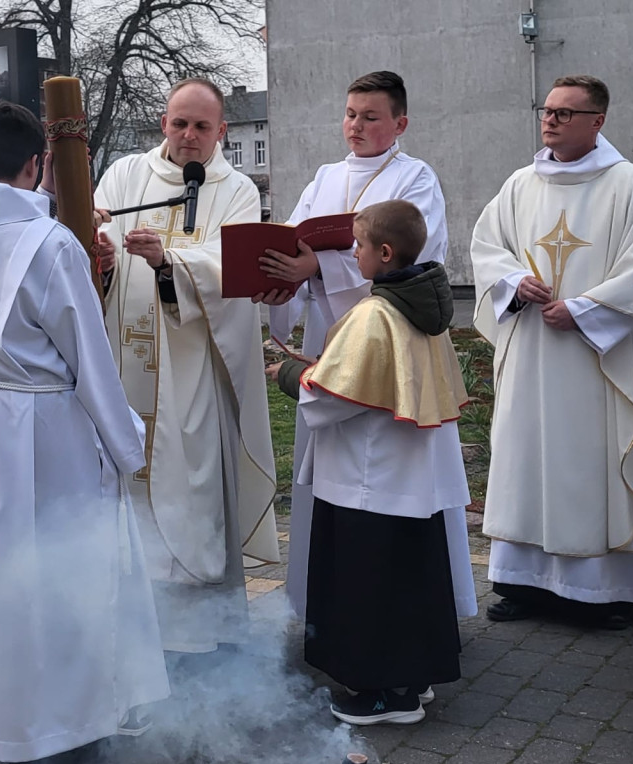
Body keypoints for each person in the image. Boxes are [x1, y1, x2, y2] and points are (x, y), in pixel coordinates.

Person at [0, 101, 169, 764]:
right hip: (41, 431)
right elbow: (90, 360)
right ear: (35, 164)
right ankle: (60, 719)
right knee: (54, 567)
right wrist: (127, 440)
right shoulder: (51, 246)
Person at [257, 71, 474, 624]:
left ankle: (411, 611)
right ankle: (320, 605)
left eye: (370, 116)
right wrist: (287, 274)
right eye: (351, 113)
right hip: (331, 342)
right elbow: (296, 240)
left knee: (396, 483)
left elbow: (417, 257)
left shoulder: (414, 177)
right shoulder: (325, 177)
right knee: (329, 474)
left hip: (393, 340)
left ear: (399, 123)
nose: (356, 125)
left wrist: (318, 267)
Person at [471, 75, 633, 629]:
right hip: (532, 349)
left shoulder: (630, 185)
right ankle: (522, 583)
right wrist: (513, 282)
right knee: (524, 460)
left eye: (564, 113)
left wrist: (585, 309)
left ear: (597, 121)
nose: (550, 120)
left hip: (591, 359)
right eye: (547, 110)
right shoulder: (519, 184)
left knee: (589, 463)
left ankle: (603, 593)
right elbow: (487, 247)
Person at [93, 79, 278, 654]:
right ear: (163, 125)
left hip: (195, 373)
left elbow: (238, 273)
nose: (189, 136)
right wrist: (99, 259)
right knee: (125, 497)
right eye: (180, 124)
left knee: (193, 497)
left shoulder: (237, 189)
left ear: (222, 131)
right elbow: (92, 250)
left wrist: (168, 261)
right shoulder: (125, 176)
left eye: (202, 126)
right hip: (126, 368)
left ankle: (199, 641)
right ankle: (128, 633)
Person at [268, 200, 469, 725]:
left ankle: (384, 694)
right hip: (409, 478)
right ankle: (413, 676)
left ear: (383, 253)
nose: (351, 254)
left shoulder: (375, 313)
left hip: (366, 476)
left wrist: (290, 376)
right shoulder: (426, 306)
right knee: (409, 580)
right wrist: (321, 369)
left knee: (370, 585)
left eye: (357, 246)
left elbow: (335, 397)